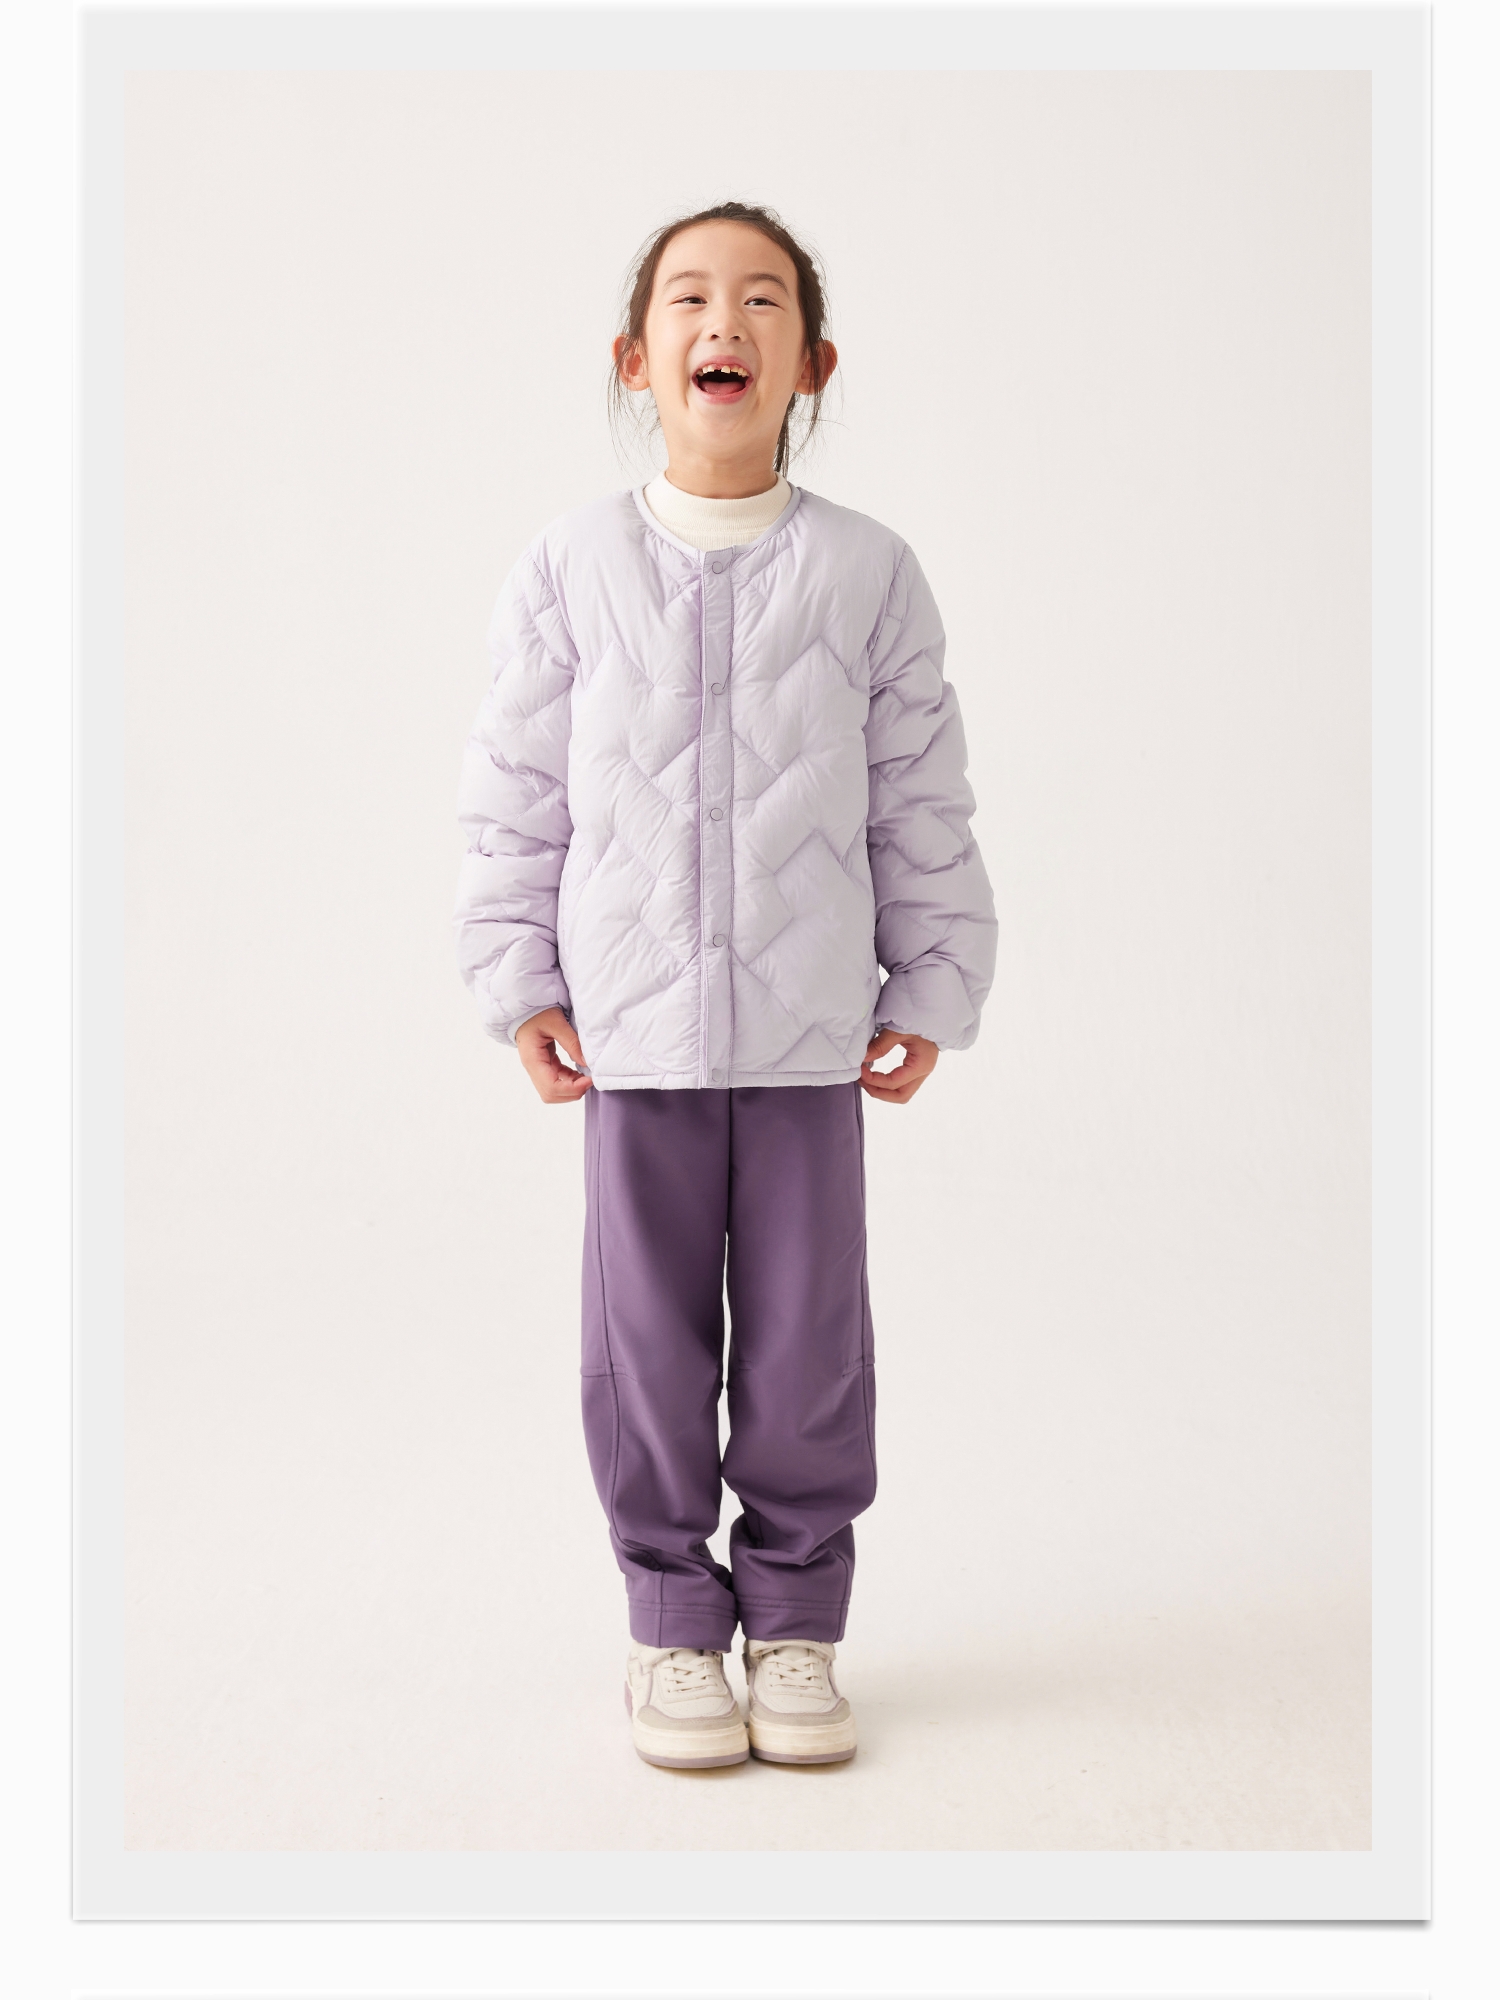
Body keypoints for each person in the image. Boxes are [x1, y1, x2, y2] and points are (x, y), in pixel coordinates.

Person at [455, 200, 997, 1770]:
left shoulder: (870, 572)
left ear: (809, 363)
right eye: (690, 298)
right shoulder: (570, 565)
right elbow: (515, 793)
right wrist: (519, 977)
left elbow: (920, 794)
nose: (727, 322)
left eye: (765, 300)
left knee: (808, 1346)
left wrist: (934, 977)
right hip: (632, 1040)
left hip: (811, 1033)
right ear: (638, 359)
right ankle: (673, 1626)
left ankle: (799, 1619)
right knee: (644, 1343)